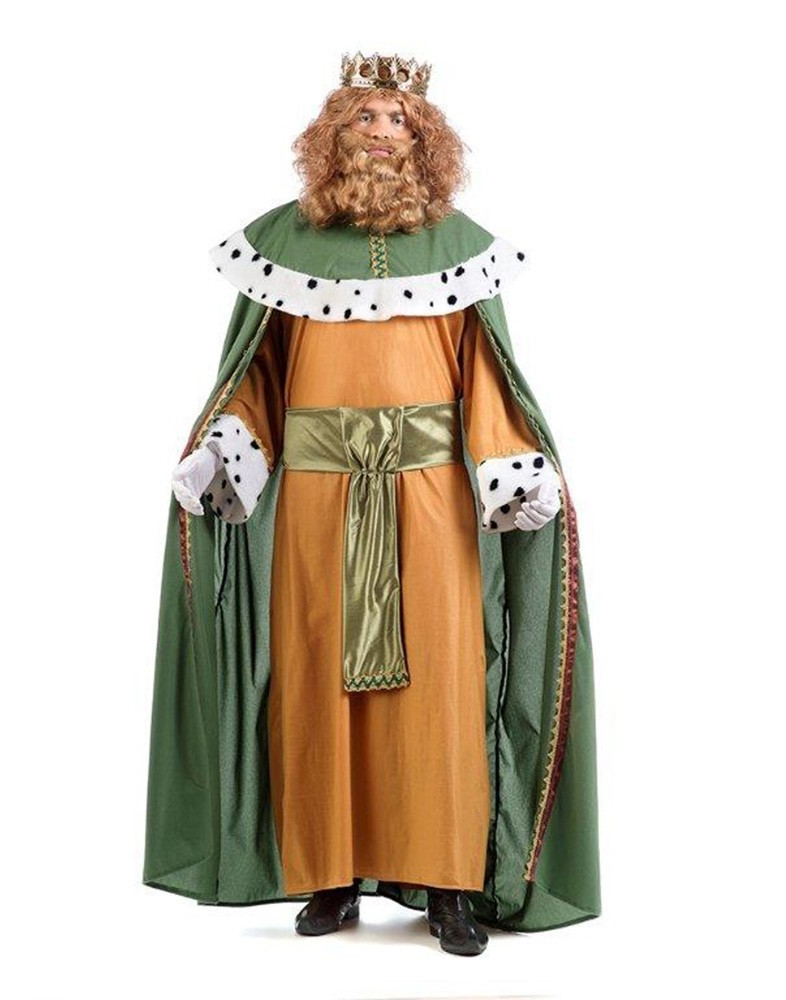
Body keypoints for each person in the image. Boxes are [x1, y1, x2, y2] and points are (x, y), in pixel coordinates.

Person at [143, 52, 600, 957]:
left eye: (398, 122)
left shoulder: (458, 250)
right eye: (364, 119)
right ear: (333, 136)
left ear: (424, 142)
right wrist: (226, 447)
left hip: (429, 501)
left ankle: (448, 884)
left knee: (441, 688)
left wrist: (513, 468)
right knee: (316, 681)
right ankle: (329, 875)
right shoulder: (284, 248)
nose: (381, 134)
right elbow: (257, 375)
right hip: (317, 502)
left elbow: (486, 378)